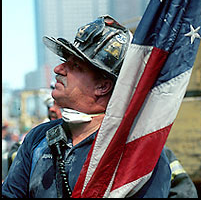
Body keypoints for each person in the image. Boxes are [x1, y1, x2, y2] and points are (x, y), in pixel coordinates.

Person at [2, 15, 171, 198]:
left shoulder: (136, 149)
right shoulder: (38, 139)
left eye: (75, 65)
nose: (58, 69)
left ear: (103, 86)